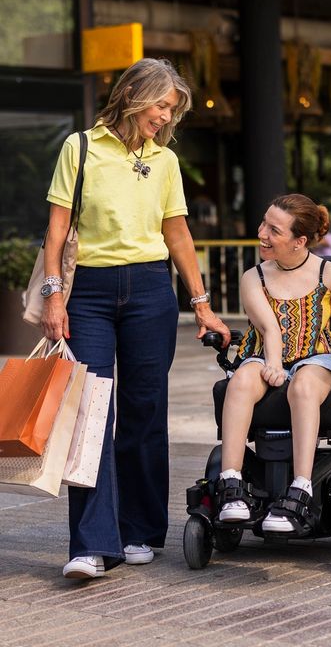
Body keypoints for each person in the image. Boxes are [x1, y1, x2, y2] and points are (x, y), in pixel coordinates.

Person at [41, 57, 230, 580]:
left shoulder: (164, 161)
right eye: (161, 105)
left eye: (172, 110)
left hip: (150, 290)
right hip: (89, 294)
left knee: (145, 409)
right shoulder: (80, 148)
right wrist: (55, 297)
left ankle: (140, 529)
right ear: (133, 96)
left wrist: (201, 302)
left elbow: (178, 235)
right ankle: (91, 545)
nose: (166, 117)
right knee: (91, 412)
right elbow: (56, 230)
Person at [216, 193, 331, 533]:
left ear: (299, 241)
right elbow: (268, 328)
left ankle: (301, 488)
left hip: (321, 358)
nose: (262, 234)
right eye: (264, 224)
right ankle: (230, 484)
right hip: (265, 352)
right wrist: (273, 364)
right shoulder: (254, 277)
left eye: (274, 230)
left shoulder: (329, 272)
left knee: (305, 382)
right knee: (242, 379)